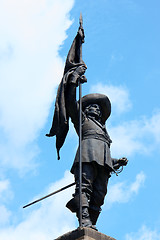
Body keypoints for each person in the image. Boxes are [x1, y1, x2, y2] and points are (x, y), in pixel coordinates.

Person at [65, 65, 128, 230]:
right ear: (86, 110)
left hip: (103, 163)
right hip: (86, 156)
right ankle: (84, 220)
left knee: (100, 194)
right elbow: (71, 101)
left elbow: (103, 152)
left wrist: (116, 161)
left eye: (99, 108)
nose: (97, 109)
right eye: (93, 106)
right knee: (85, 188)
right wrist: (74, 79)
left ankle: (91, 223)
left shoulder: (105, 133)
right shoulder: (82, 121)